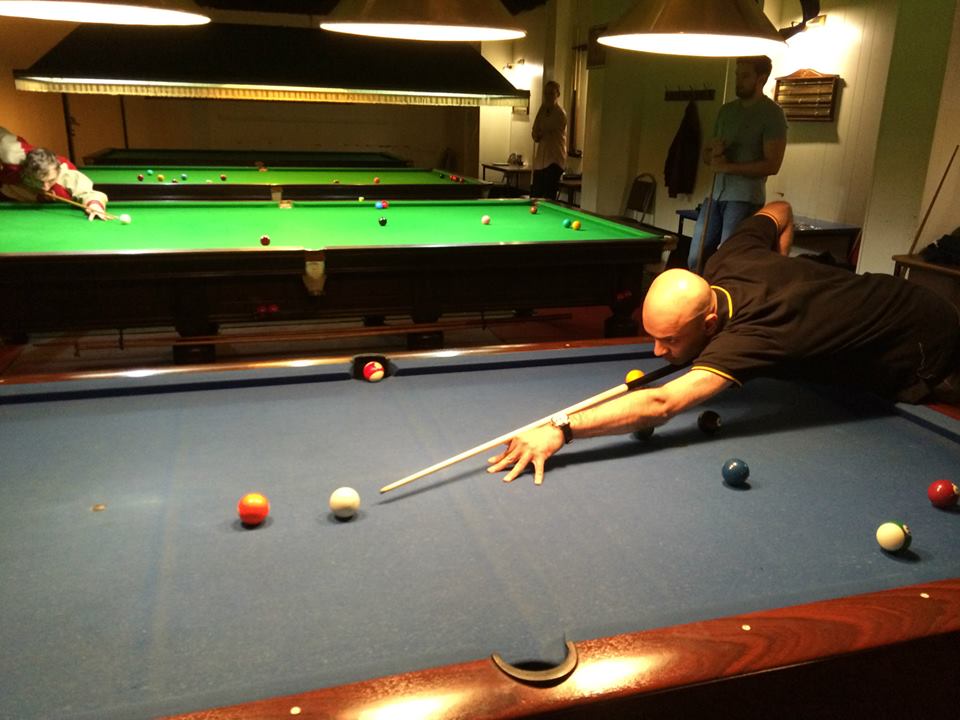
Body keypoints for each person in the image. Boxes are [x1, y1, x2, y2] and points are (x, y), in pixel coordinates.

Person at [488, 201, 960, 484]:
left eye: (670, 340)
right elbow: (779, 209)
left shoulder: (752, 335)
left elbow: (661, 404)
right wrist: (780, 266)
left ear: (711, 322)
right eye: (653, 337)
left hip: (925, 339)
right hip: (885, 301)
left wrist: (561, 429)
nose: (656, 353)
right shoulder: (729, 257)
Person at [687, 56, 787, 271]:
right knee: (696, 258)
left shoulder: (772, 114)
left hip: (744, 198)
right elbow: (708, 157)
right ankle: (698, 292)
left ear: (761, 79)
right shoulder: (727, 111)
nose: (738, 81)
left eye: (745, 76)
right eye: (737, 75)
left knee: (729, 259)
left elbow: (772, 165)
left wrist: (728, 167)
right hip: (715, 195)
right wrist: (713, 153)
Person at [0, 126, 107, 219]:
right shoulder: (11, 152)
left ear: (58, 171)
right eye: (39, 181)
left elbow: (91, 194)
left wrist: (94, 204)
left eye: (51, 180)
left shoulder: (65, 176)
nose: (45, 188)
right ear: (28, 172)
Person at [530, 80, 567, 200]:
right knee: (535, 195)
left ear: (557, 94)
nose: (548, 96)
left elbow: (545, 128)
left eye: (551, 93)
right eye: (546, 93)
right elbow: (535, 131)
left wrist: (539, 133)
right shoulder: (542, 110)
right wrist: (537, 134)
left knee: (548, 197)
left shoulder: (560, 113)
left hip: (554, 160)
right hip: (541, 161)